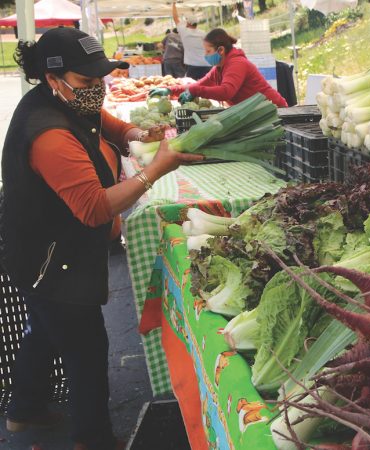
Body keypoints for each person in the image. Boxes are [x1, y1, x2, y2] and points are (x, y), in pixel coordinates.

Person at [0, 27, 203, 450]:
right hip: (52, 262)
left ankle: (24, 411)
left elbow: (105, 122)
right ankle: (92, 439)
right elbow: (94, 208)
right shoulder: (49, 133)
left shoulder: (68, 100)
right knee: (86, 351)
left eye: (101, 81)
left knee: (44, 331)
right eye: (88, 83)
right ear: (54, 79)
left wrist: (135, 136)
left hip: (41, 251)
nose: (98, 91)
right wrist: (153, 170)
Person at [149, 28, 288, 108]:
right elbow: (199, 84)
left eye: (208, 51)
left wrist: (195, 91)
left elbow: (226, 92)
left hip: (273, 110)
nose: (205, 55)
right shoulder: (219, 67)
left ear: (220, 50)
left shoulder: (237, 64)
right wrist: (170, 90)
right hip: (255, 111)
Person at [172, 2, 210, 80]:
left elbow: (175, 18)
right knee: (207, 86)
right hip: (206, 64)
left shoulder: (184, 32)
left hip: (193, 65)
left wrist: (174, 4)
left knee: (192, 87)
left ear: (188, 23)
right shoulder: (203, 33)